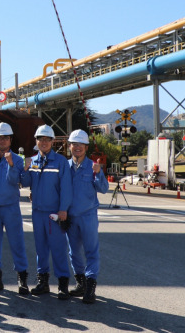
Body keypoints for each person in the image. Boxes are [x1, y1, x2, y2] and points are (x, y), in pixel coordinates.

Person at [21, 124, 73, 299]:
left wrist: (63, 210)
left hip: (54, 213)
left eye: (47, 139)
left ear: (52, 141)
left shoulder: (60, 162)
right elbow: (26, 182)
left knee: (58, 248)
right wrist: (26, 168)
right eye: (40, 139)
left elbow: (66, 188)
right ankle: (42, 282)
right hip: (37, 212)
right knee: (40, 249)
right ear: (36, 141)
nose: (44, 142)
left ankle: (63, 284)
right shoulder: (33, 161)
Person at [0, 123, 29, 294]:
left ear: (10, 140)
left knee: (17, 243)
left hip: (11, 208)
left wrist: (10, 164)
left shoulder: (17, 159)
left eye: (5, 138)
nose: (2, 141)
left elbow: (15, 181)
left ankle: (22, 279)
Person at [66, 129, 108, 304]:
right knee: (73, 252)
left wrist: (99, 173)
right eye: (74, 144)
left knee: (91, 251)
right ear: (69, 146)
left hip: (88, 216)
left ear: (86, 147)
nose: (77, 147)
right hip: (70, 217)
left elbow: (104, 189)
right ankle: (81, 282)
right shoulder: (65, 166)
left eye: (81, 144)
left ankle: (90, 286)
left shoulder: (93, 167)